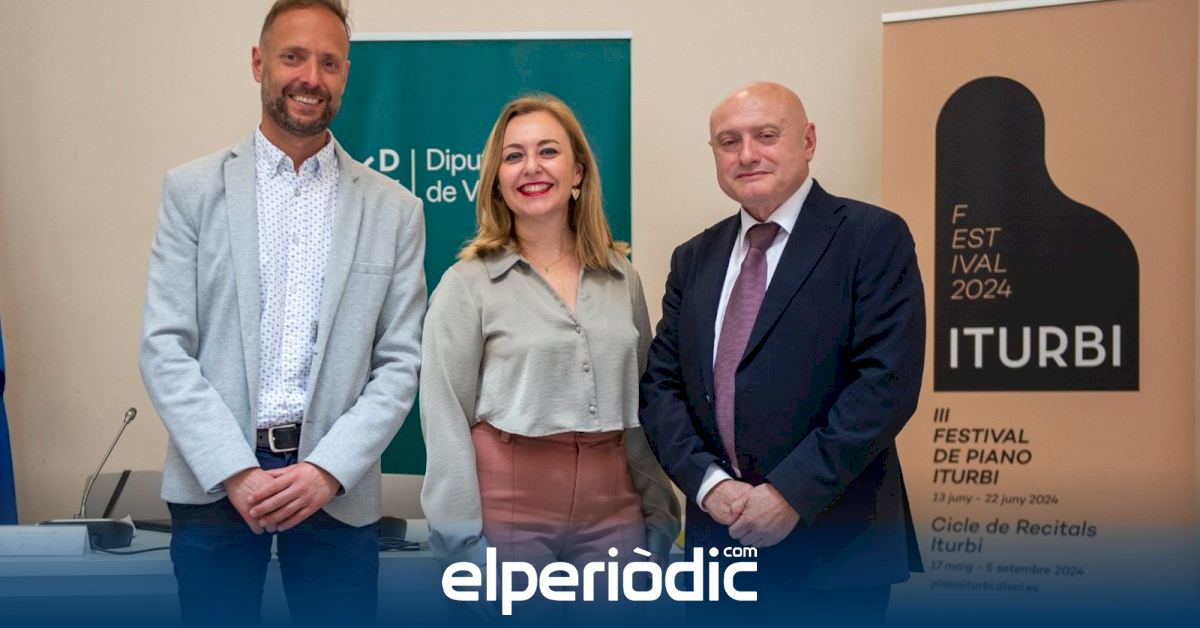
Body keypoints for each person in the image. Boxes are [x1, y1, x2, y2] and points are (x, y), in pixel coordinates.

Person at [138, 1, 425, 625]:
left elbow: (401, 362)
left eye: (329, 63)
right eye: (293, 57)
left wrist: (325, 469)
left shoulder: (395, 210)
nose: (310, 78)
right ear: (258, 63)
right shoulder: (191, 191)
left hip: (335, 487)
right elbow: (164, 346)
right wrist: (234, 470)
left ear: (345, 75)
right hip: (215, 483)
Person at [639, 81, 924, 624]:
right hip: (720, 546)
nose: (747, 154)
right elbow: (661, 389)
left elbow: (886, 383)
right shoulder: (694, 257)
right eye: (729, 142)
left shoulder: (872, 237)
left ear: (808, 140)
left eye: (766, 136)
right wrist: (708, 485)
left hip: (836, 550)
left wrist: (791, 493)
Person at [420, 94, 680, 615]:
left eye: (548, 151)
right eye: (513, 156)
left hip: (612, 501)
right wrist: (459, 541)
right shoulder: (466, 283)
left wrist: (659, 510)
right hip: (510, 503)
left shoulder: (621, 277)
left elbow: (641, 403)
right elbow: (444, 415)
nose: (531, 167)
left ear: (577, 172)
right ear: (496, 179)